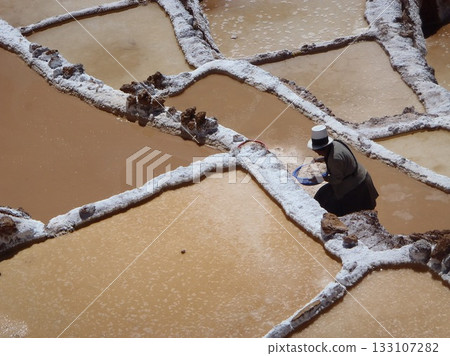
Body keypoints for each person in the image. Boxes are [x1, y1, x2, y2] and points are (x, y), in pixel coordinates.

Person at [307, 125, 379, 216]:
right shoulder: (335, 144)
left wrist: (321, 178)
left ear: (322, 148)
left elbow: (337, 180)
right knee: (321, 195)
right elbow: (337, 157)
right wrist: (320, 159)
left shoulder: (335, 159)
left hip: (357, 184)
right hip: (355, 175)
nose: (316, 152)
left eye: (317, 150)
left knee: (335, 208)